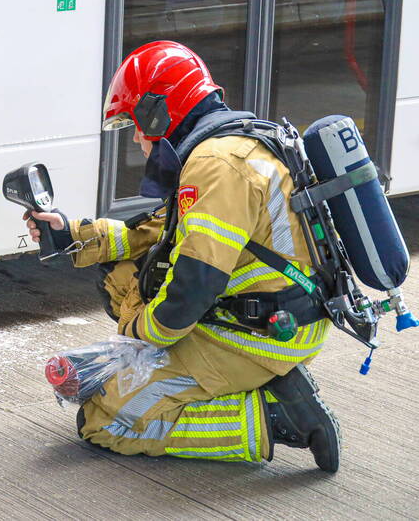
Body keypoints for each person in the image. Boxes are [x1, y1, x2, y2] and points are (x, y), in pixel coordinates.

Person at [25, 40, 340, 471]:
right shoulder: (229, 145)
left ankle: (274, 417)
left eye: (136, 124)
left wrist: (137, 333)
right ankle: (243, 383)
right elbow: (162, 233)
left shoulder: (215, 165)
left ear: (158, 114)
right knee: (121, 274)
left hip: (260, 335)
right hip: (273, 315)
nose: (136, 138)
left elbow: (194, 286)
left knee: (105, 420)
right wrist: (72, 236)